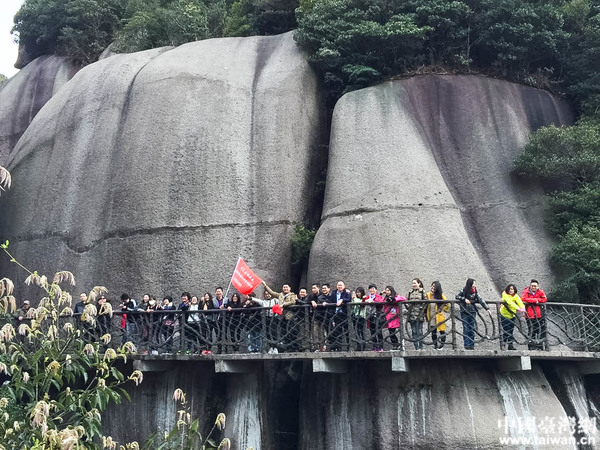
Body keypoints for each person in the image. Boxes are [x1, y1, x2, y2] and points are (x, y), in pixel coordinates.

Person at [263, 282, 297, 352]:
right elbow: (272, 293)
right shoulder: (280, 295)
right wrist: (265, 285)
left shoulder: (292, 295)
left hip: (289, 315)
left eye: (286, 287)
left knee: (290, 330)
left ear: (289, 288)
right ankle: (285, 345)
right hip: (281, 315)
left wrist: (283, 305)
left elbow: (293, 302)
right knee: (283, 330)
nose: (285, 288)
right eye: (284, 287)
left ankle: (293, 346)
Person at [455, 278, 489, 350]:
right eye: (473, 283)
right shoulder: (463, 290)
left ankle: (471, 345)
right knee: (466, 328)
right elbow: (457, 296)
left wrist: (487, 308)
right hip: (464, 311)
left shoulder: (475, 291)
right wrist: (464, 299)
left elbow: (480, 299)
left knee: (471, 328)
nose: (474, 285)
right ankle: (466, 345)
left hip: (472, 311)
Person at [249, 289, 279, 353]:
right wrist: (250, 298)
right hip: (267, 318)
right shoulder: (263, 302)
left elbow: (282, 303)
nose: (267, 295)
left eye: (268, 294)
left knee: (274, 333)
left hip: (274, 318)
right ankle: (271, 347)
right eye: (266, 294)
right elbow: (257, 300)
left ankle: (275, 347)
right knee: (268, 333)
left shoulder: (275, 300)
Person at [521, 279, 548, 350]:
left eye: (535, 286)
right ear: (530, 286)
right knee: (531, 330)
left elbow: (544, 299)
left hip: (539, 314)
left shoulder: (540, 291)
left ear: (538, 287)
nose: (533, 287)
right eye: (532, 286)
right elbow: (523, 299)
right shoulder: (526, 291)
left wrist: (535, 300)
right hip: (529, 315)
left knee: (540, 330)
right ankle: (531, 346)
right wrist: (535, 300)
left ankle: (540, 346)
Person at [500, 284, 525, 350]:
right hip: (504, 315)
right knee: (506, 330)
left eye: (512, 289)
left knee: (511, 330)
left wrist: (523, 308)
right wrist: (518, 308)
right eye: (509, 289)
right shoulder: (505, 294)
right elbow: (510, 302)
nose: (511, 290)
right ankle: (504, 344)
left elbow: (519, 301)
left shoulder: (515, 296)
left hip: (512, 315)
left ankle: (510, 346)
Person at [328, 281, 352, 351]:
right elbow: (330, 301)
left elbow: (349, 299)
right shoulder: (334, 293)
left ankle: (348, 347)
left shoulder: (346, 293)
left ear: (344, 286)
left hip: (344, 314)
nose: (339, 287)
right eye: (338, 285)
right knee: (337, 331)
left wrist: (342, 300)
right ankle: (338, 347)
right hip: (336, 314)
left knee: (347, 330)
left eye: (341, 285)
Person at [426, 281, 449, 349]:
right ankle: (435, 345)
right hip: (431, 315)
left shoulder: (441, 295)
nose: (432, 288)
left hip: (439, 316)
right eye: (432, 286)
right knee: (433, 331)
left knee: (442, 330)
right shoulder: (428, 295)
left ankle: (442, 345)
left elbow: (447, 304)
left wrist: (441, 309)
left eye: (434, 287)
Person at [406, 278, 427, 350]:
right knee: (414, 331)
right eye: (412, 283)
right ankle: (416, 347)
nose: (413, 285)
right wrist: (408, 307)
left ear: (419, 284)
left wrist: (421, 308)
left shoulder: (422, 291)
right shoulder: (410, 292)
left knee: (420, 330)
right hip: (411, 314)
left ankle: (421, 346)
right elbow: (406, 301)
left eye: (415, 283)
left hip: (419, 314)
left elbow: (426, 302)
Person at [364, 284, 385, 351]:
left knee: (379, 332)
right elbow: (363, 303)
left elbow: (381, 301)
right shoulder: (367, 297)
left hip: (377, 316)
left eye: (373, 288)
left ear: (376, 290)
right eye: (370, 289)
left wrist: (373, 301)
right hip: (370, 316)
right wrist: (365, 299)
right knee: (372, 332)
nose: (372, 290)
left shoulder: (378, 296)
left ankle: (381, 346)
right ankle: (374, 346)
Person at [212, 287, 229, 353]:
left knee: (225, 334)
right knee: (218, 334)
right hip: (216, 319)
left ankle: (226, 349)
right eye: (217, 291)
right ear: (215, 292)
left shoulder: (226, 299)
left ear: (222, 292)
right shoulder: (213, 300)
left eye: (220, 291)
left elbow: (228, 307)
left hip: (224, 319)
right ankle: (219, 349)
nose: (218, 293)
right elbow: (212, 308)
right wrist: (219, 308)